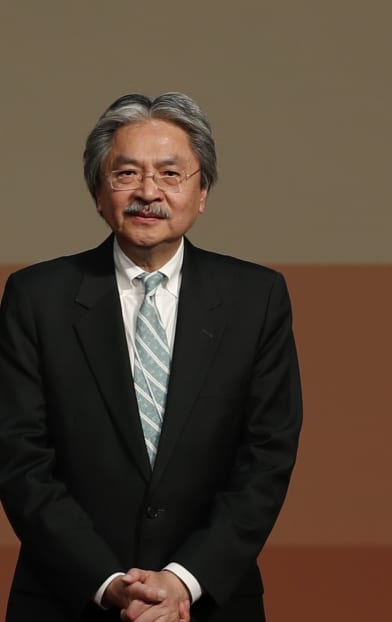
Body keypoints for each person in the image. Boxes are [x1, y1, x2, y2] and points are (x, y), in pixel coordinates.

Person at [0, 92, 303, 622]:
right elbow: (19, 458)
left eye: (170, 174)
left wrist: (183, 581)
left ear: (203, 190)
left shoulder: (257, 299)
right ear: (98, 191)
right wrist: (108, 582)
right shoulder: (35, 297)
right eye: (126, 175)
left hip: (209, 602)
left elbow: (267, 457)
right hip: (67, 598)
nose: (148, 193)